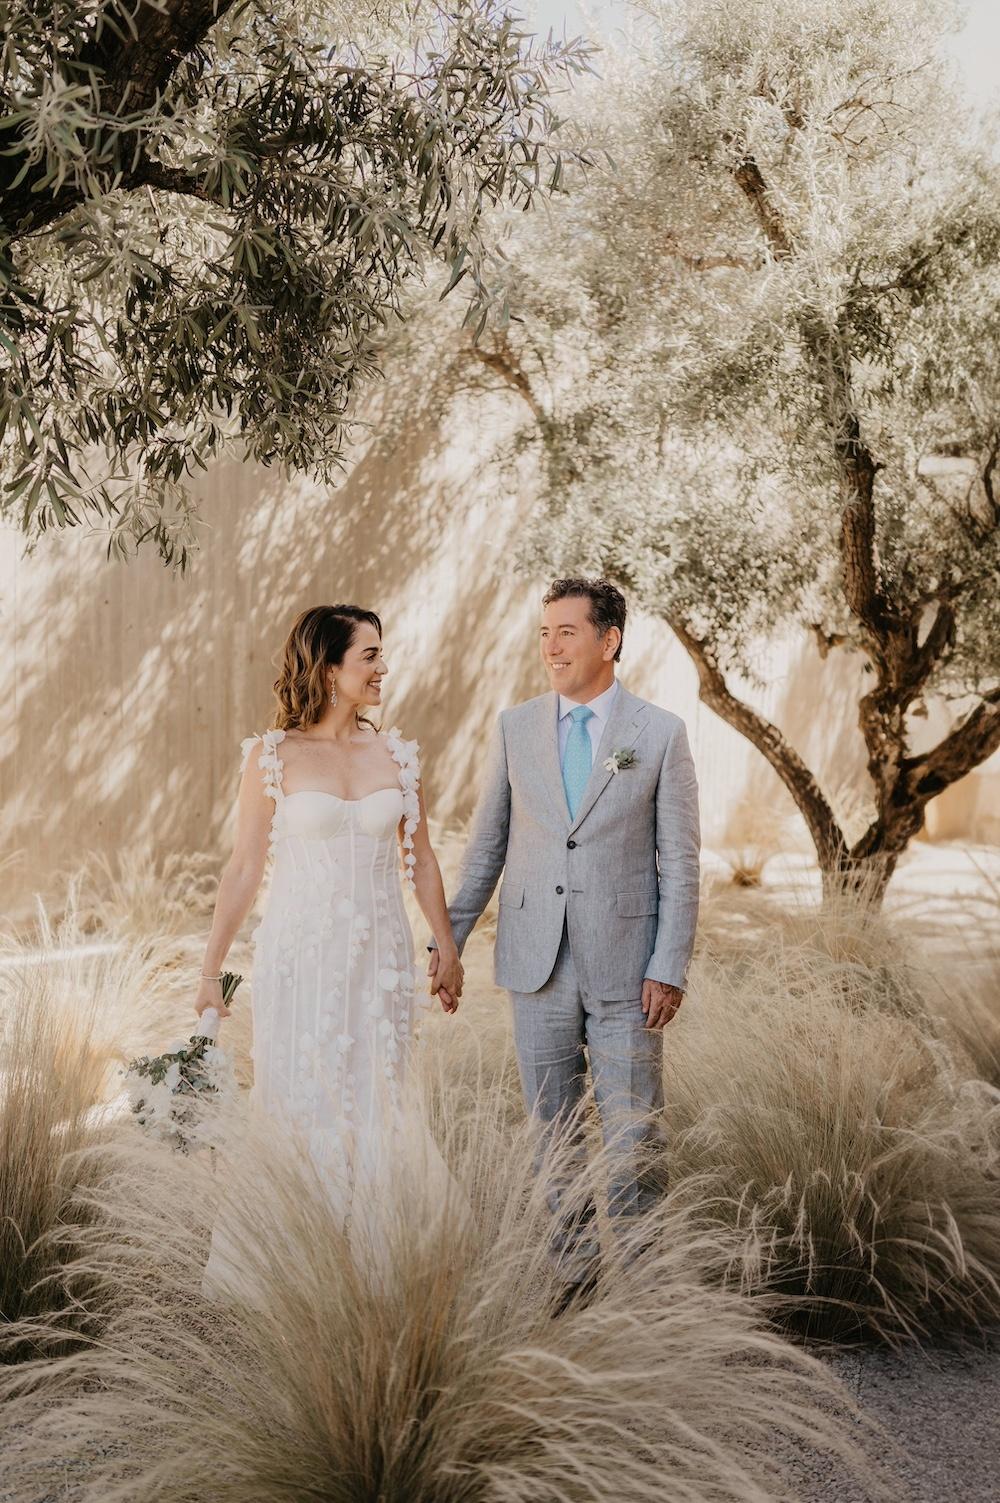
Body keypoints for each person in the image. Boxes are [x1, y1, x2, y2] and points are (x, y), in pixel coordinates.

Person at [428, 577, 700, 1314]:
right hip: (535, 961)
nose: (550, 646)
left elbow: (679, 862)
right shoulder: (516, 726)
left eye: (566, 631)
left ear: (609, 640)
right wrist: (446, 944)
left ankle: (645, 1291)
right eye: (544, 631)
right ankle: (575, 1283)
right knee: (553, 1136)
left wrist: (668, 965)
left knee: (633, 1137)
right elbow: (487, 847)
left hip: (628, 969)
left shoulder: (660, 732)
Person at [195, 604, 465, 1283]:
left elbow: (423, 861)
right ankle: (295, 1270)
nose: (382, 667)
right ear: (328, 666)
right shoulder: (272, 755)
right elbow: (244, 869)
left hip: (380, 959)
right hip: (300, 958)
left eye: (381, 652)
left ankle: (384, 1264)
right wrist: (210, 970)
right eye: (369, 655)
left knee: (379, 1093)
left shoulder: (397, 756)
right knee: (303, 1097)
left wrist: (447, 944)